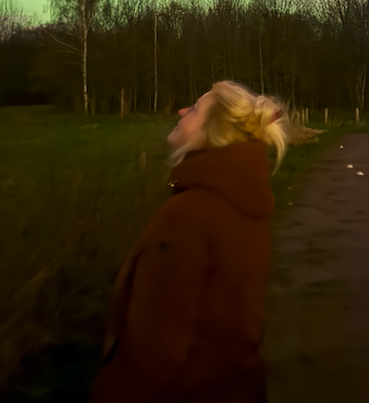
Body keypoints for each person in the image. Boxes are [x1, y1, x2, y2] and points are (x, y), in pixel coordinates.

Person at [89, 80, 288, 403]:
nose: (182, 110)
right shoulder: (246, 201)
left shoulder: (189, 214)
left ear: (214, 130)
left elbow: (154, 347)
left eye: (195, 108)